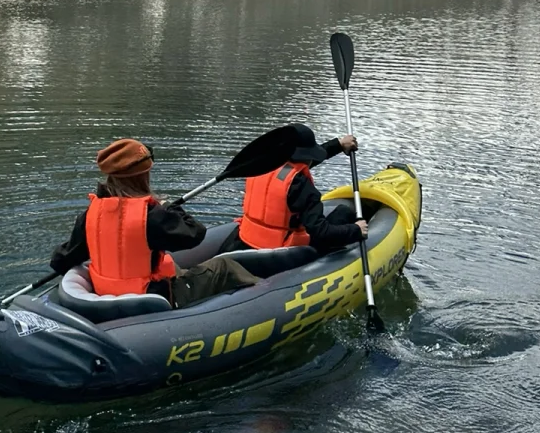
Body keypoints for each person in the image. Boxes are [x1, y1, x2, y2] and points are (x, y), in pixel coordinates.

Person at [49, 138, 260, 308]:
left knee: (170, 263)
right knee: (225, 266)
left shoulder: (90, 214)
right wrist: (169, 206)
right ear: (143, 177)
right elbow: (196, 233)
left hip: (105, 294)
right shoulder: (152, 216)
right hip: (151, 296)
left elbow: (60, 261)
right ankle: (266, 296)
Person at [222, 123, 370, 255]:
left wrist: (338, 145)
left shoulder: (261, 166)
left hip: (247, 239)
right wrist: (356, 230)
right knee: (344, 212)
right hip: (280, 252)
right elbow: (321, 233)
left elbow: (295, 169)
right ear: (306, 156)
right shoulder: (302, 187)